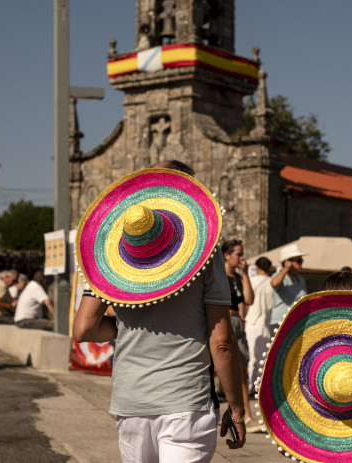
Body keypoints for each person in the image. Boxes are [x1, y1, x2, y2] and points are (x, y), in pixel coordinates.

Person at [73, 160, 246, 461]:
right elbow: (221, 341)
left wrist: (126, 328)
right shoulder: (206, 253)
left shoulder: (112, 256)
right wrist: (237, 407)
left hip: (131, 403)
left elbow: (84, 328)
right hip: (186, 400)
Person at [222, 238, 258, 432]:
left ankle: (246, 414)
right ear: (227, 255)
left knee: (242, 370)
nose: (242, 257)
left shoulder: (237, 277)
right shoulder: (219, 276)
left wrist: (245, 275)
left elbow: (249, 299)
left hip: (237, 321)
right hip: (224, 321)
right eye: (239, 254)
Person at [244, 256, 273, 394]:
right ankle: (259, 385)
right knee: (263, 358)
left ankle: (250, 385)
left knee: (251, 357)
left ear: (257, 267)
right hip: (266, 323)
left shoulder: (252, 281)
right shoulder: (272, 283)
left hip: (252, 322)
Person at [269, 244, 308, 330]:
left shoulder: (300, 279)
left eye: (301, 260)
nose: (301, 263)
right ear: (288, 262)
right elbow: (274, 284)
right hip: (280, 322)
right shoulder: (278, 276)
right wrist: (285, 269)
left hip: (296, 323)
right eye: (298, 260)